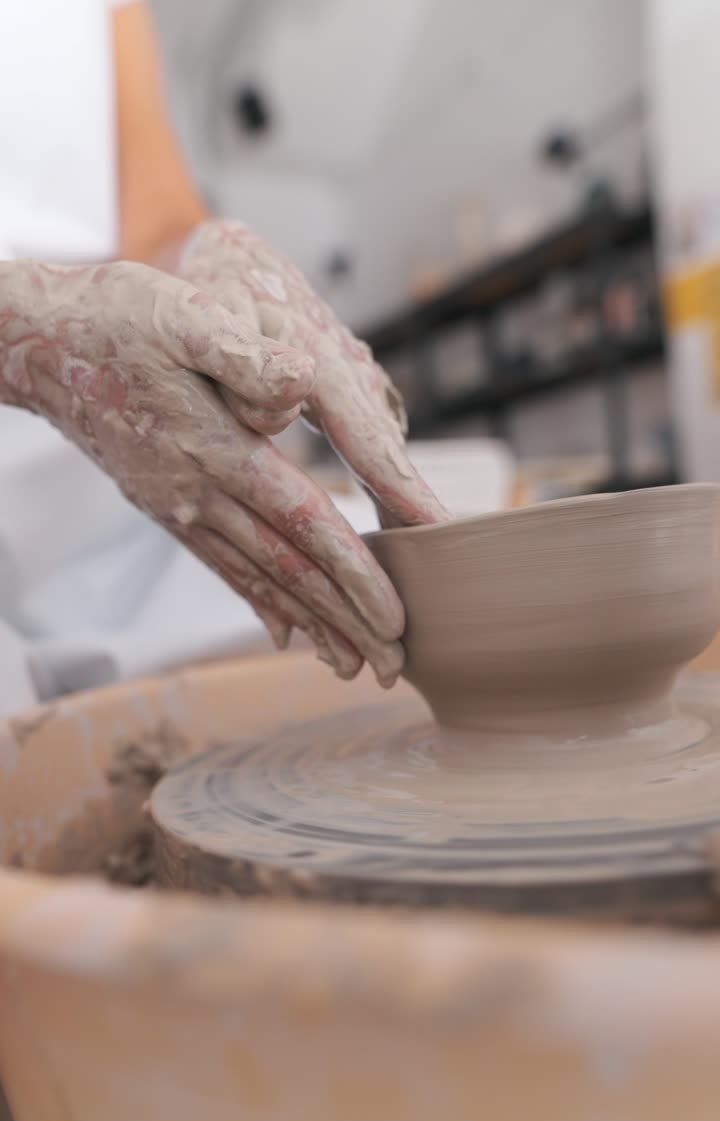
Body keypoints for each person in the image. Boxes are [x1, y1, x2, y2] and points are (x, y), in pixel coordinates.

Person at [0, 0, 446, 720]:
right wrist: (23, 327)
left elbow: (157, 224)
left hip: (120, 473)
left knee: (400, 603)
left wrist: (209, 262)